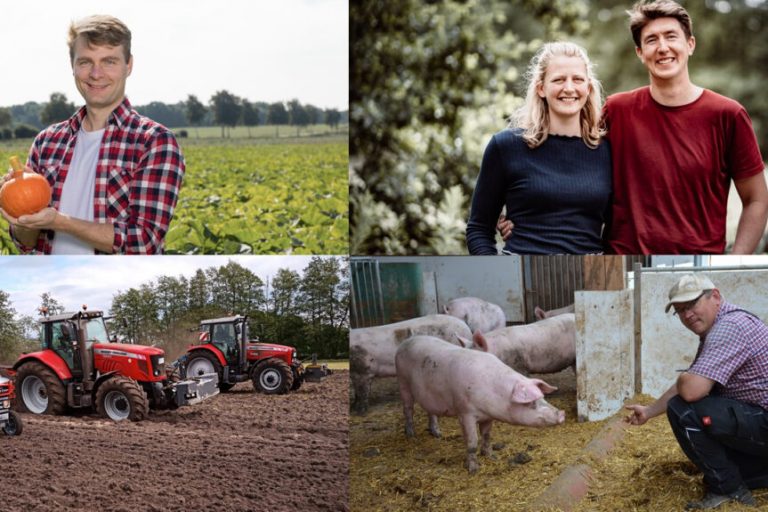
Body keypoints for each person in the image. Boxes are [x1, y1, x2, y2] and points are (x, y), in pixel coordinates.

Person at [0, 15, 185, 254]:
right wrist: (21, 216)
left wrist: (60, 222)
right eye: (86, 62)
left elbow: (143, 242)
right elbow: (26, 242)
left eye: (109, 61)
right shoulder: (47, 142)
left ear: (128, 65)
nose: (96, 74)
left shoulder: (154, 141)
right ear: (73, 66)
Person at [605, 0, 768, 254]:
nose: (662, 47)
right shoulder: (616, 110)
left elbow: (756, 200)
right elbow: (571, 167)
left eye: (671, 36)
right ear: (639, 52)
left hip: (699, 271)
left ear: (690, 44)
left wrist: (733, 265)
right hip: (623, 268)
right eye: (651, 40)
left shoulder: (728, 115)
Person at [625, 273, 768, 510]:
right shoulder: (723, 325)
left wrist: (684, 377)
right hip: (759, 419)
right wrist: (649, 411)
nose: (687, 315)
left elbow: (689, 391)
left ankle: (729, 489)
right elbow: (691, 382)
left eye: (692, 304)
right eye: (680, 310)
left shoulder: (729, 328)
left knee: (683, 410)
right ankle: (756, 471)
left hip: (763, 419)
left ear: (715, 297)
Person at [465, 41, 612, 255]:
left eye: (577, 79)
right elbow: (478, 229)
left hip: (590, 281)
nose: (569, 88)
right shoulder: (506, 146)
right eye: (559, 80)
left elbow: (618, 228)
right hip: (518, 280)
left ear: (588, 88)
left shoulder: (608, 152)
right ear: (541, 88)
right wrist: (497, 277)